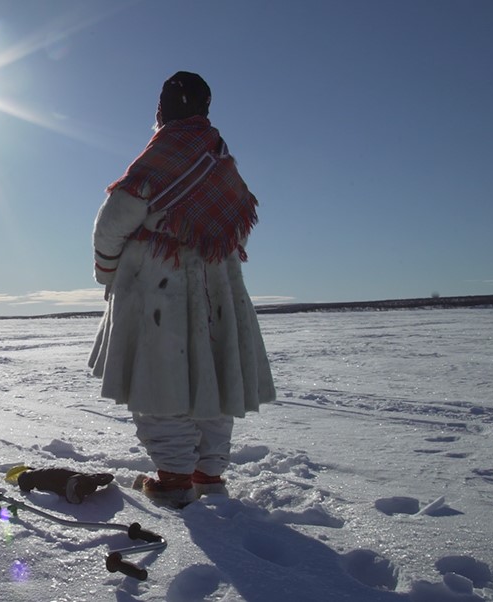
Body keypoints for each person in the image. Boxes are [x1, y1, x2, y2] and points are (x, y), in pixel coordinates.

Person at [88, 71, 276, 508]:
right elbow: (238, 231)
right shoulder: (221, 160)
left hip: (159, 289)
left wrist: (109, 272)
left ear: (162, 110)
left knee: (159, 382)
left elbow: (112, 224)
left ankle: (173, 480)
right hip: (218, 291)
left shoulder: (161, 156)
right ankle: (207, 475)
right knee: (212, 379)